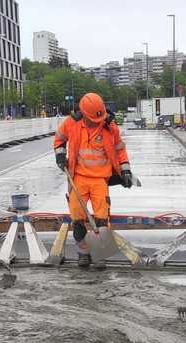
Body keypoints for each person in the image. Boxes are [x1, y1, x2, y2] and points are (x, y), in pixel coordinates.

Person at [53, 92, 132, 269]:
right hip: (78, 177)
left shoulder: (110, 127)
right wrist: (60, 156)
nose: (97, 122)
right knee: (78, 218)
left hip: (100, 179)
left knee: (102, 218)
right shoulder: (71, 123)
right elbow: (59, 139)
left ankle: (99, 254)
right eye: (93, 119)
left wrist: (125, 170)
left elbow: (120, 149)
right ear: (83, 113)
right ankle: (83, 254)